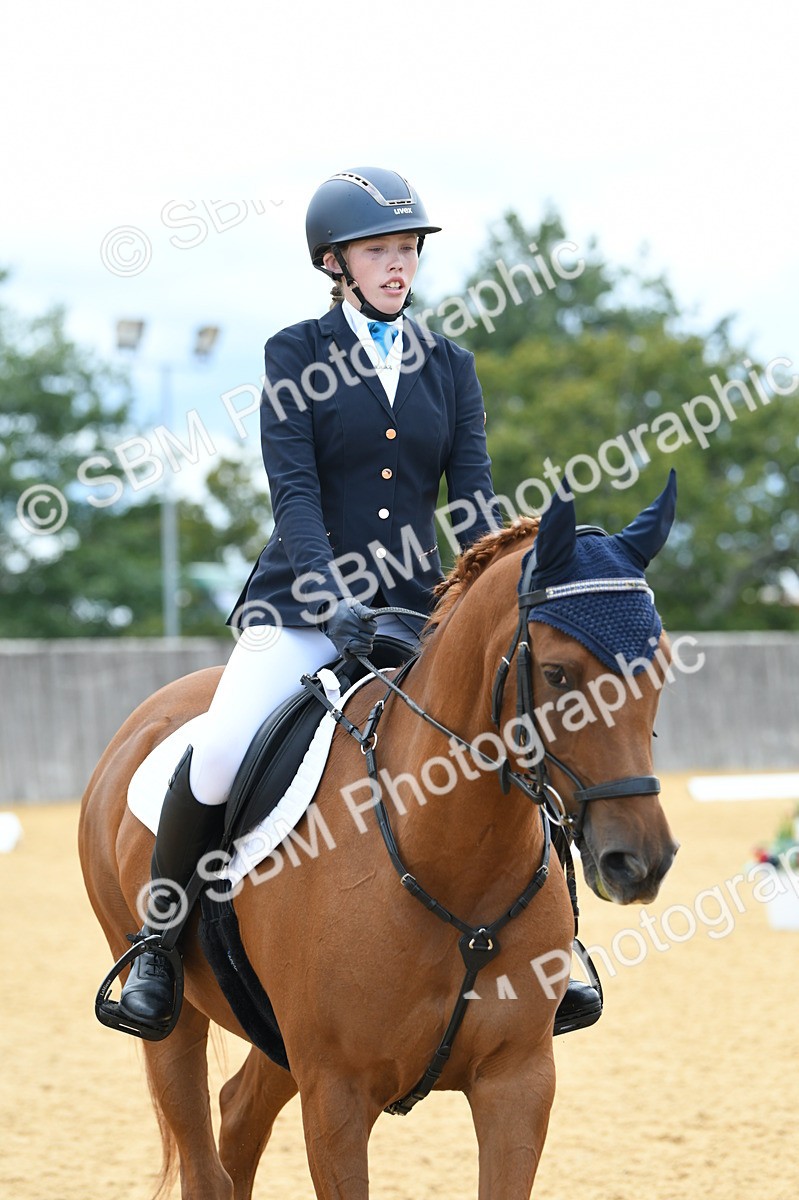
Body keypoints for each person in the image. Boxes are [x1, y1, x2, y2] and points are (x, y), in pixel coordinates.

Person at [116, 166, 600, 1036]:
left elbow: (475, 497)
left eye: (408, 250)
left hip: (417, 615)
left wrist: (488, 593)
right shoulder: (293, 354)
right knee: (222, 749)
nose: (398, 266)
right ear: (334, 262)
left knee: (517, 731)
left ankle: (563, 949)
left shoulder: (450, 366)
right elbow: (293, 493)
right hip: (305, 611)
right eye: (380, 251)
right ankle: (157, 945)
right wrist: (325, 593)